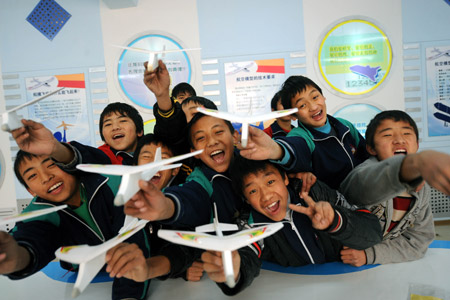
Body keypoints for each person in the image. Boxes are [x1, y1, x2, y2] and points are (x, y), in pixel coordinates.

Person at [201, 156, 382, 295]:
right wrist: (233, 271)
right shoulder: (251, 225)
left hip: (351, 289)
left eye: (270, 182)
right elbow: (246, 256)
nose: (266, 196)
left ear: (285, 178)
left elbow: (373, 231)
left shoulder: (315, 192)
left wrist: (335, 221)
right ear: (246, 199)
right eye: (253, 190)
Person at [0, 150, 150, 300]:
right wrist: (15, 257)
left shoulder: (114, 184)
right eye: (32, 175)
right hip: (88, 285)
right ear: (30, 191)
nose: (46, 177)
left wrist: (127, 296)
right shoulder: (39, 213)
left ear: (68, 164)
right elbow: (30, 238)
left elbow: (133, 242)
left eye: (51, 165)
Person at [340, 110, 450, 266]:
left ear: (417, 144)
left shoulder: (421, 188)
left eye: (406, 133)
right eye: (387, 135)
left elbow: (418, 241)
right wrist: (412, 165)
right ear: (371, 148)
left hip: (379, 265)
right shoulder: (363, 174)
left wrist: (370, 255)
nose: (399, 140)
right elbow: (365, 188)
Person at [239, 75, 369, 189]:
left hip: (363, 189)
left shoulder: (344, 125)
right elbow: (294, 148)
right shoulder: (301, 136)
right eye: (302, 105)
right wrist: (275, 150)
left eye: (315, 97)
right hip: (334, 204)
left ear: (323, 97)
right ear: (293, 115)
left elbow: (366, 154)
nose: (313, 107)